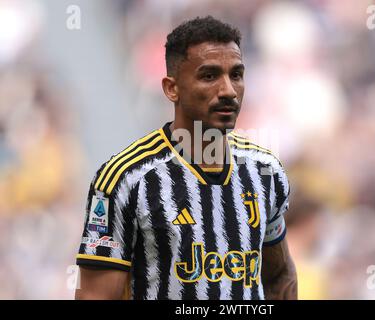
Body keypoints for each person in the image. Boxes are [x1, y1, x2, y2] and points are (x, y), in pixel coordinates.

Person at [75, 16, 297, 300]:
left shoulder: (265, 171)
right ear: (172, 88)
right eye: (209, 76)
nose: (228, 90)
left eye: (237, 75)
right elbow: (95, 296)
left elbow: (279, 275)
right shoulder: (124, 179)